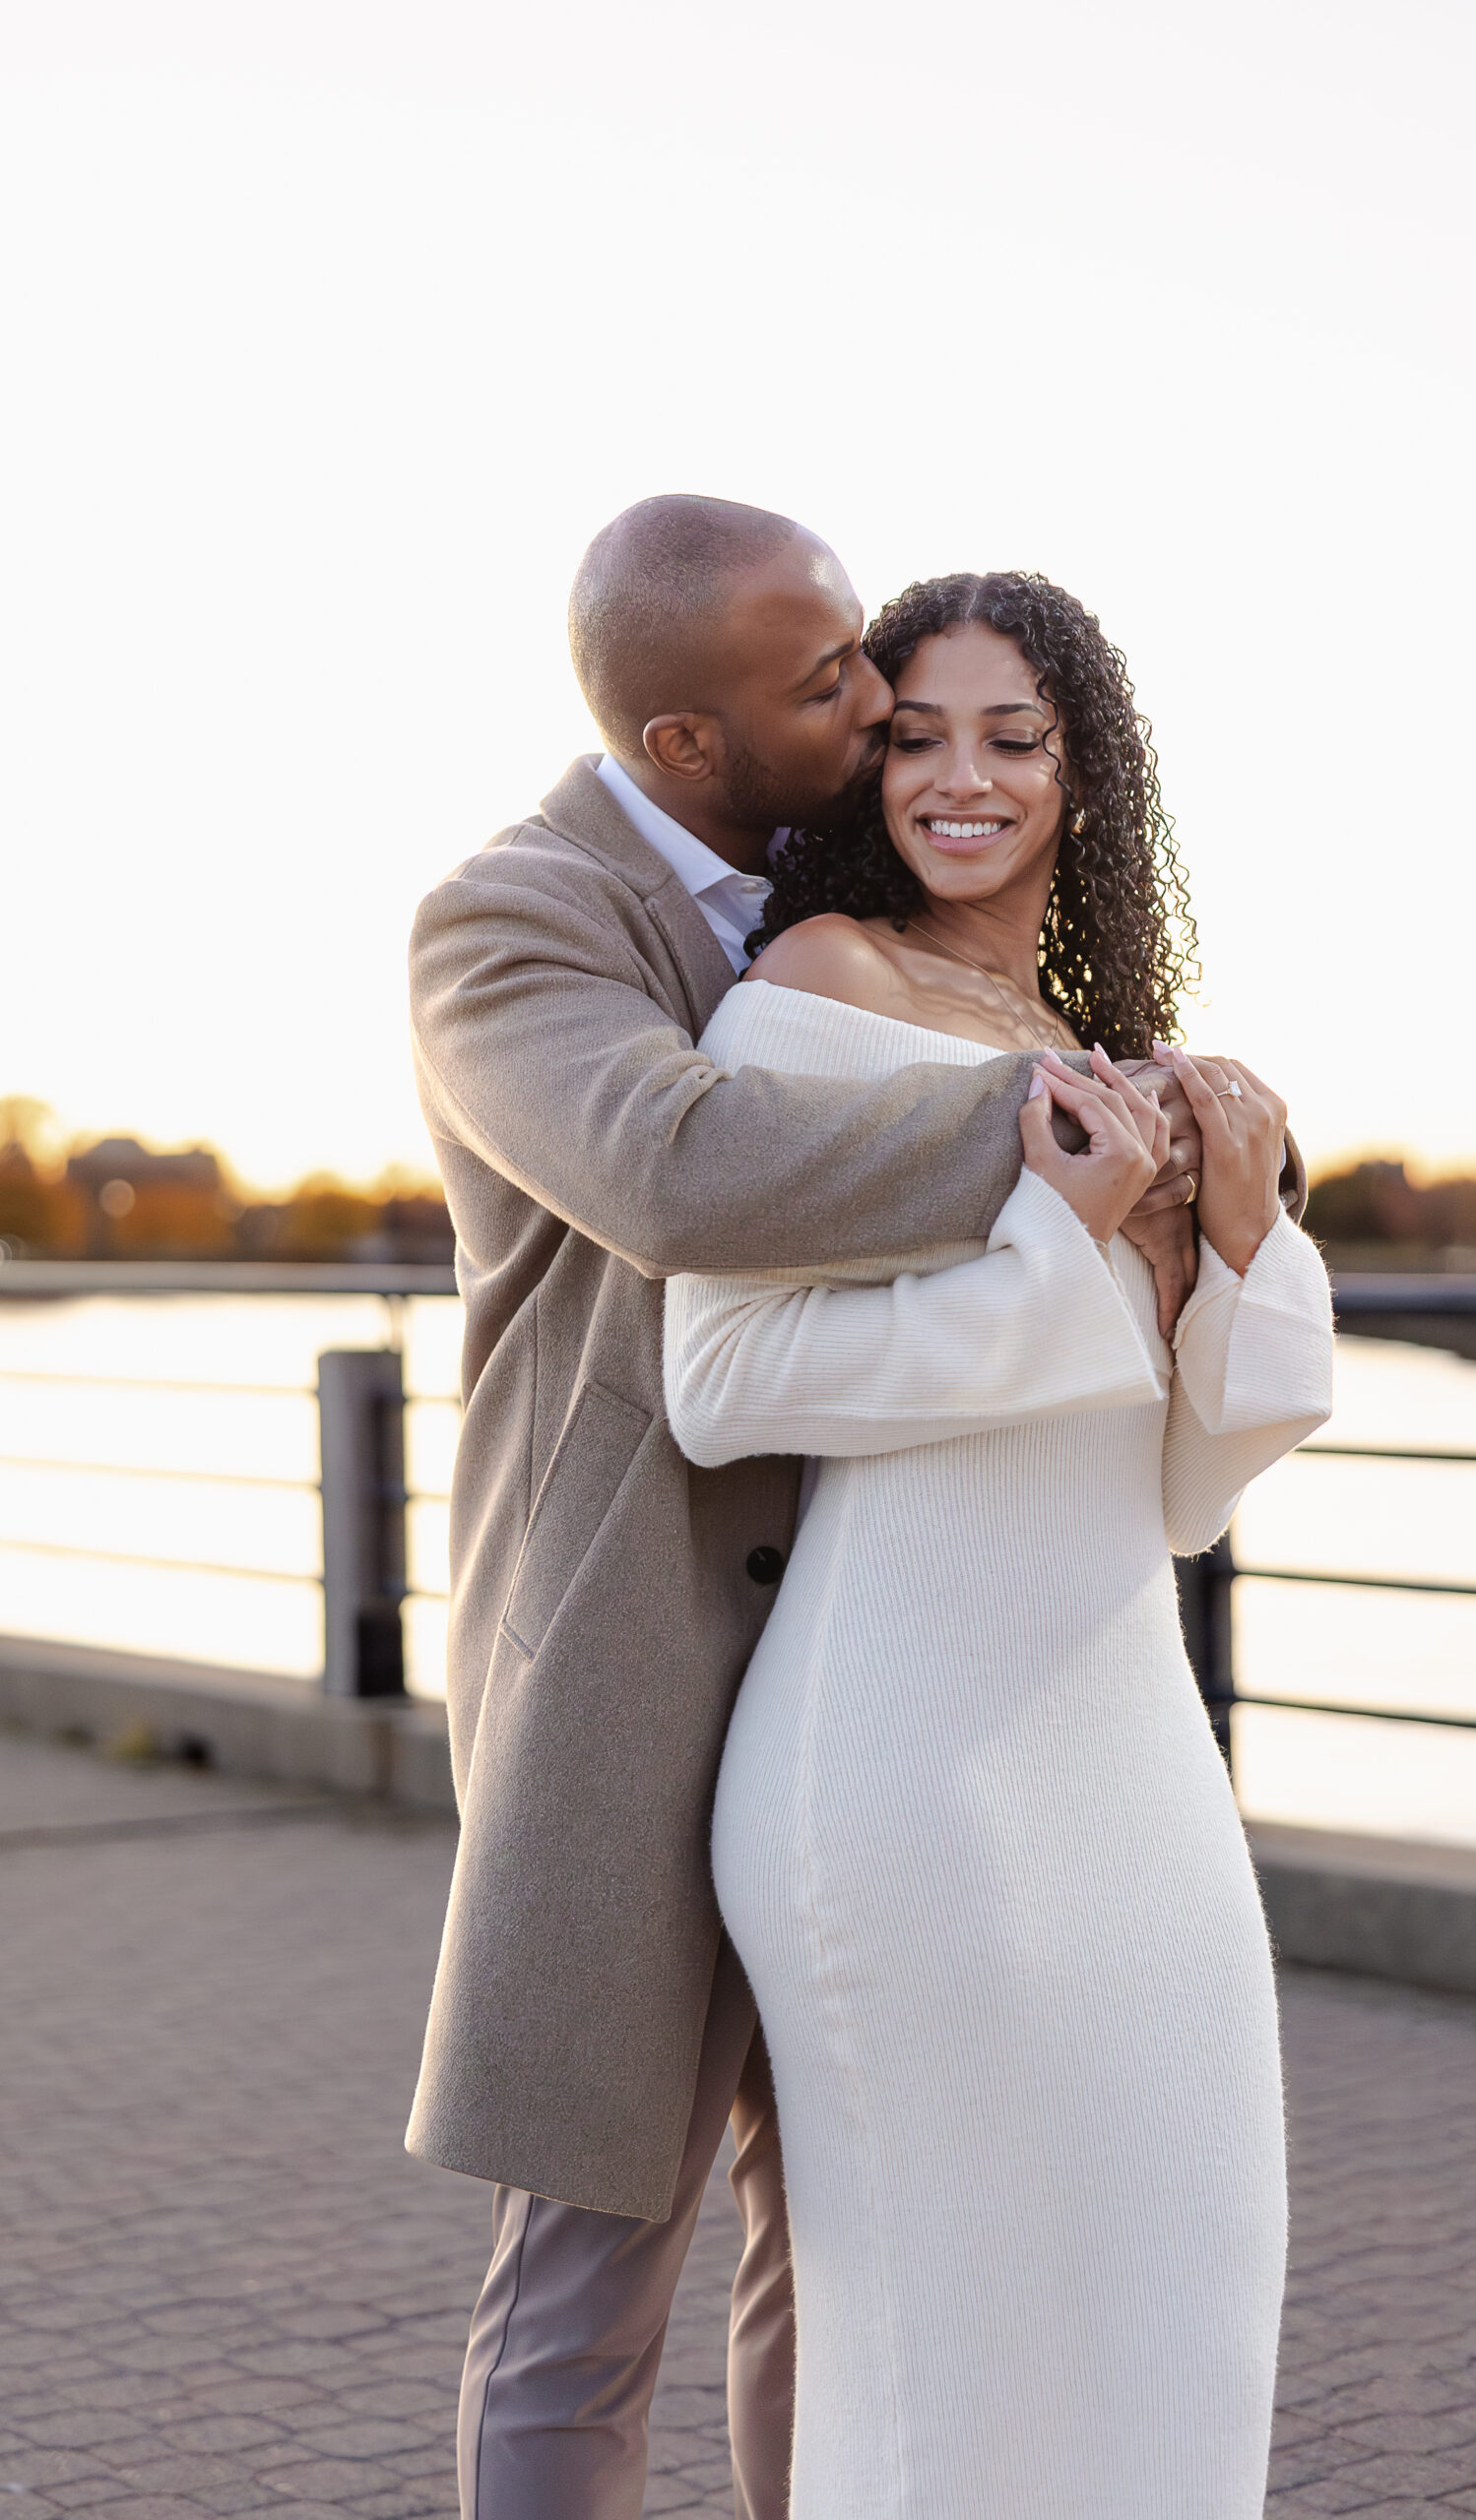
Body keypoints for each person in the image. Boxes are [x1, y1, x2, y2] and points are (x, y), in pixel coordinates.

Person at [404, 501, 1225, 2520]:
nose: (874, 709)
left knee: (843, 2252)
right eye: (827, 682)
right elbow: (675, 1168)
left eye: (864, 652)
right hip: (631, 1651)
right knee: (587, 2274)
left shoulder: (825, 893)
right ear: (686, 739)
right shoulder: (509, 916)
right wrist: (1081, 1114)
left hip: (866, 1679)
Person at [664, 570, 1336, 2516]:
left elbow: (1184, 1467)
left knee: (1182, 2266)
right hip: (902, 1747)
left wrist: (1221, 1235)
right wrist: (1063, 1234)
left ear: (1080, 772)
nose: (959, 776)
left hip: (1126, 1738)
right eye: (915, 734)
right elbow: (723, 1379)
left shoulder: (1105, 1041)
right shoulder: (810, 993)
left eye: (1010, 736)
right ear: (862, 764)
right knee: (945, 2340)